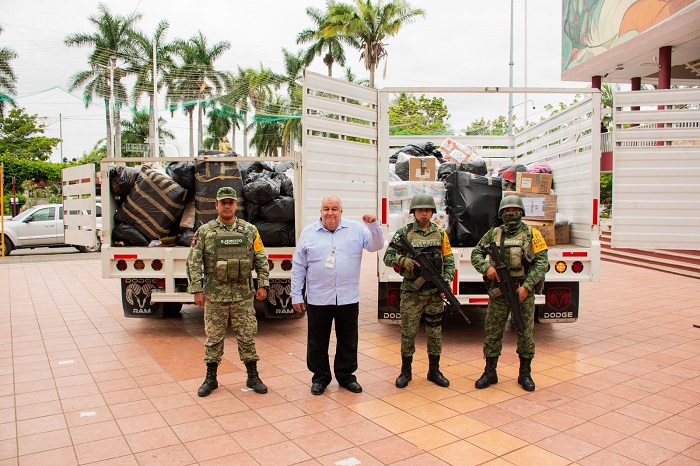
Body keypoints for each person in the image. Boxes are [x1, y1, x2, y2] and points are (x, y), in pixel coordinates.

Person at [291, 195, 383, 395]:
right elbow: (299, 266)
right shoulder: (309, 233)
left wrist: (374, 226)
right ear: (321, 212)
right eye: (326, 209)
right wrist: (296, 295)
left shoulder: (357, 229)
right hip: (318, 298)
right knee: (317, 340)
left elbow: (376, 246)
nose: (330, 213)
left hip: (348, 298)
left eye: (334, 208)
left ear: (341, 211)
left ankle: (346, 376)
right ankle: (320, 378)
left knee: (348, 340)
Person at [186, 186, 270, 397]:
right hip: (215, 295)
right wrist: (197, 289)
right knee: (214, 338)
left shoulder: (250, 230)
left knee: (247, 337)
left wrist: (262, 284)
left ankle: (253, 376)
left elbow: (260, 257)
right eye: (222, 202)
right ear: (216, 205)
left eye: (230, 202)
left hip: (243, 295)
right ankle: (211, 378)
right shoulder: (205, 232)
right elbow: (194, 262)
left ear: (235, 205)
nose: (226, 206)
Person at [470, 196, 548, 392]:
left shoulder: (532, 234)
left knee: (524, 332)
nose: (511, 213)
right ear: (501, 213)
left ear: (521, 212)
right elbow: (476, 253)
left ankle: (525, 373)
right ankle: (490, 372)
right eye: (507, 210)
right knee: (493, 332)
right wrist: (487, 268)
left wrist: (527, 286)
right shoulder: (493, 234)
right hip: (499, 292)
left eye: (514, 210)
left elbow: (542, 262)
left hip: (522, 290)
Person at [382, 194, 454, 389]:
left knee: (435, 332)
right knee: (408, 332)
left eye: (427, 210)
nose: (424, 213)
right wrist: (404, 261)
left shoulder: (440, 234)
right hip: (411, 292)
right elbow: (387, 256)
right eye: (420, 210)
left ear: (432, 212)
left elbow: (449, 261)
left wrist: (445, 284)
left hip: (433, 293)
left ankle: (434, 370)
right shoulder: (404, 234)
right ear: (414, 212)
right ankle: (406, 371)